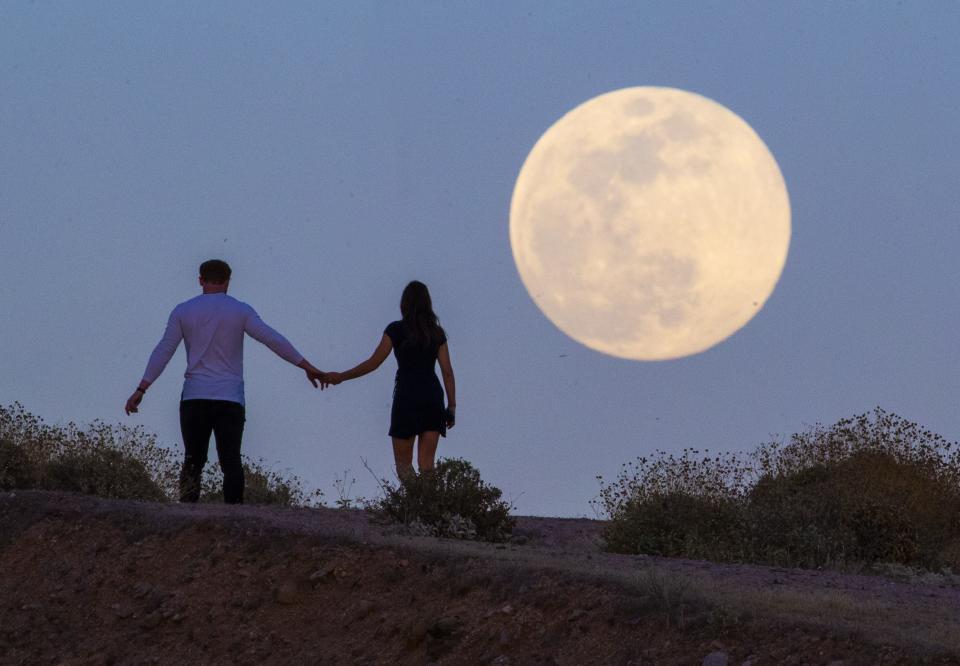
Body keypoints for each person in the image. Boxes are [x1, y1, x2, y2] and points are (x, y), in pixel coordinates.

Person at [124, 259, 328, 504]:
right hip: (229, 398)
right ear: (228, 281)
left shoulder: (183, 311)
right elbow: (272, 339)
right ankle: (235, 517)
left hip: (194, 397)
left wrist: (142, 387)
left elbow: (164, 350)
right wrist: (306, 366)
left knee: (193, 460)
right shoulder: (240, 310)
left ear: (200, 280)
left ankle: (187, 516)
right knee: (230, 460)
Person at [325, 280, 456, 482]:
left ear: (404, 304)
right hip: (432, 396)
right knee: (427, 465)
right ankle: (430, 510)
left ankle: (417, 507)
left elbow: (373, 363)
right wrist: (452, 406)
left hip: (407, 397)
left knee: (404, 466)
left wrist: (343, 376)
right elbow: (447, 371)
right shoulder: (436, 333)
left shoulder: (395, 330)